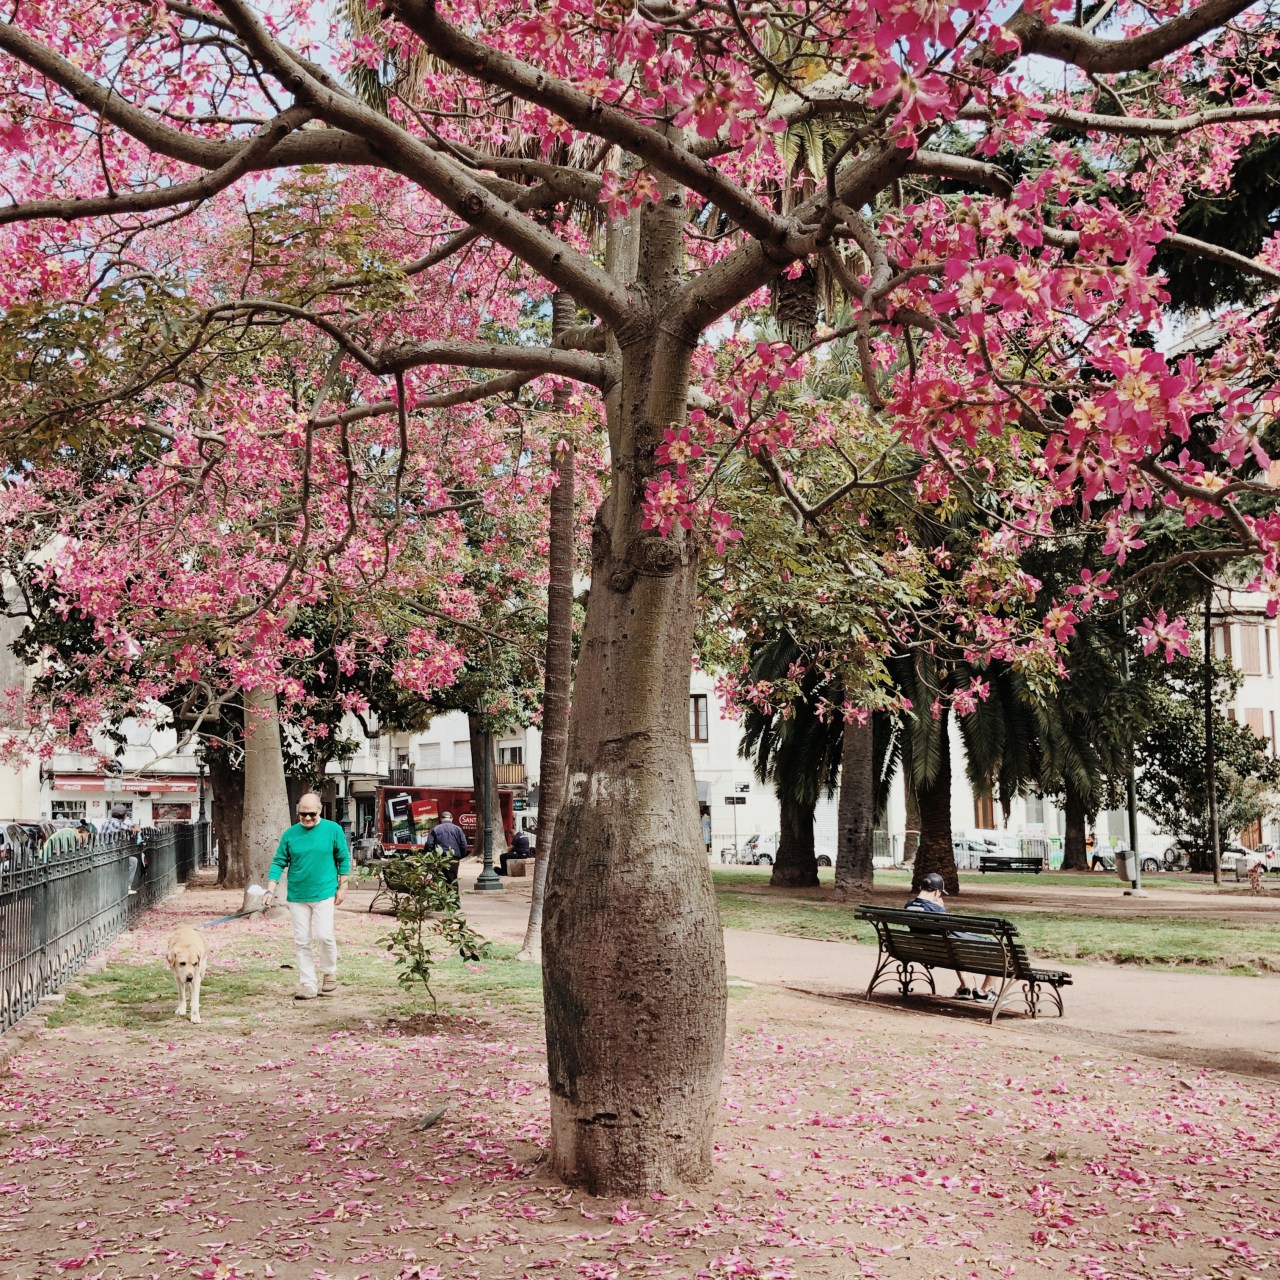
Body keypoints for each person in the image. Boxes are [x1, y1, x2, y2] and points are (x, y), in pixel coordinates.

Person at [262, 793, 351, 1000]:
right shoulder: (290, 834)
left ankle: (329, 972)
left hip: (324, 892)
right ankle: (308, 984)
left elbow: (343, 858)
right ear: (298, 812)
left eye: (311, 814)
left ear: (320, 810)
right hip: (298, 895)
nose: (307, 818)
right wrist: (270, 889)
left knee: (324, 935)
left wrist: (343, 886)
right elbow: (278, 862)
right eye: (303, 814)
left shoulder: (333, 830)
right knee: (302, 940)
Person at [904, 872, 997, 1004]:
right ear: (936, 892)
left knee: (954, 948)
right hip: (949, 947)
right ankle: (985, 991)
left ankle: (964, 987)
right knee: (994, 947)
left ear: (921, 888)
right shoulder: (936, 909)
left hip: (930, 949)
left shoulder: (908, 906)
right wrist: (941, 907)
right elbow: (949, 928)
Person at [426, 810, 470, 886]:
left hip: (440, 858)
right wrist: (461, 855)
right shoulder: (458, 829)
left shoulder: (435, 829)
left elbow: (429, 844)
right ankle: (454, 896)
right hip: (454, 857)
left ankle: (441, 896)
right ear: (451, 819)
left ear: (441, 819)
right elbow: (464, 844)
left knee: (440, 879)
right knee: (453, 878)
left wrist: (430, 855)